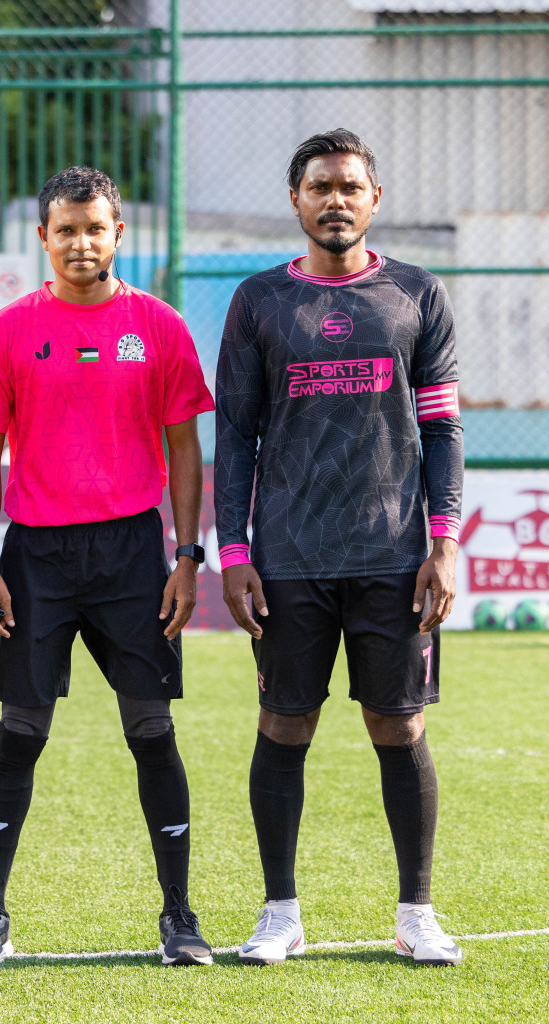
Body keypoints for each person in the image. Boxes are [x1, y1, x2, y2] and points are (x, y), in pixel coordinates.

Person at [216, 129, 465, 966]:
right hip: (288, 559)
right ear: (296, 200)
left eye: (350, 186)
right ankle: (280, 912)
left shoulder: (417, 294)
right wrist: (234, 553)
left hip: (394, 558)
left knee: (399, 730)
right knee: (284, 725)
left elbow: (442, 430)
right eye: (319, 186)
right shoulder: (257, 302)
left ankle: (417, 913)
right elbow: (237, 439)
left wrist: (445, 541)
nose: (336, 200)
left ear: (375, 199)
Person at [0, 166, 216, 966]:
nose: (80, 243)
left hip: (135, 552)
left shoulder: (160, 327)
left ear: (117, 235)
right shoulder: (7, 331)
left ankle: (179, 916)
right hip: (37, 554)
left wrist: (186, 554)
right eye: (65, 230)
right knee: (20, 731)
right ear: (44, 239)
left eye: (94, 228)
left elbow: (182, 446)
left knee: (151, 729)